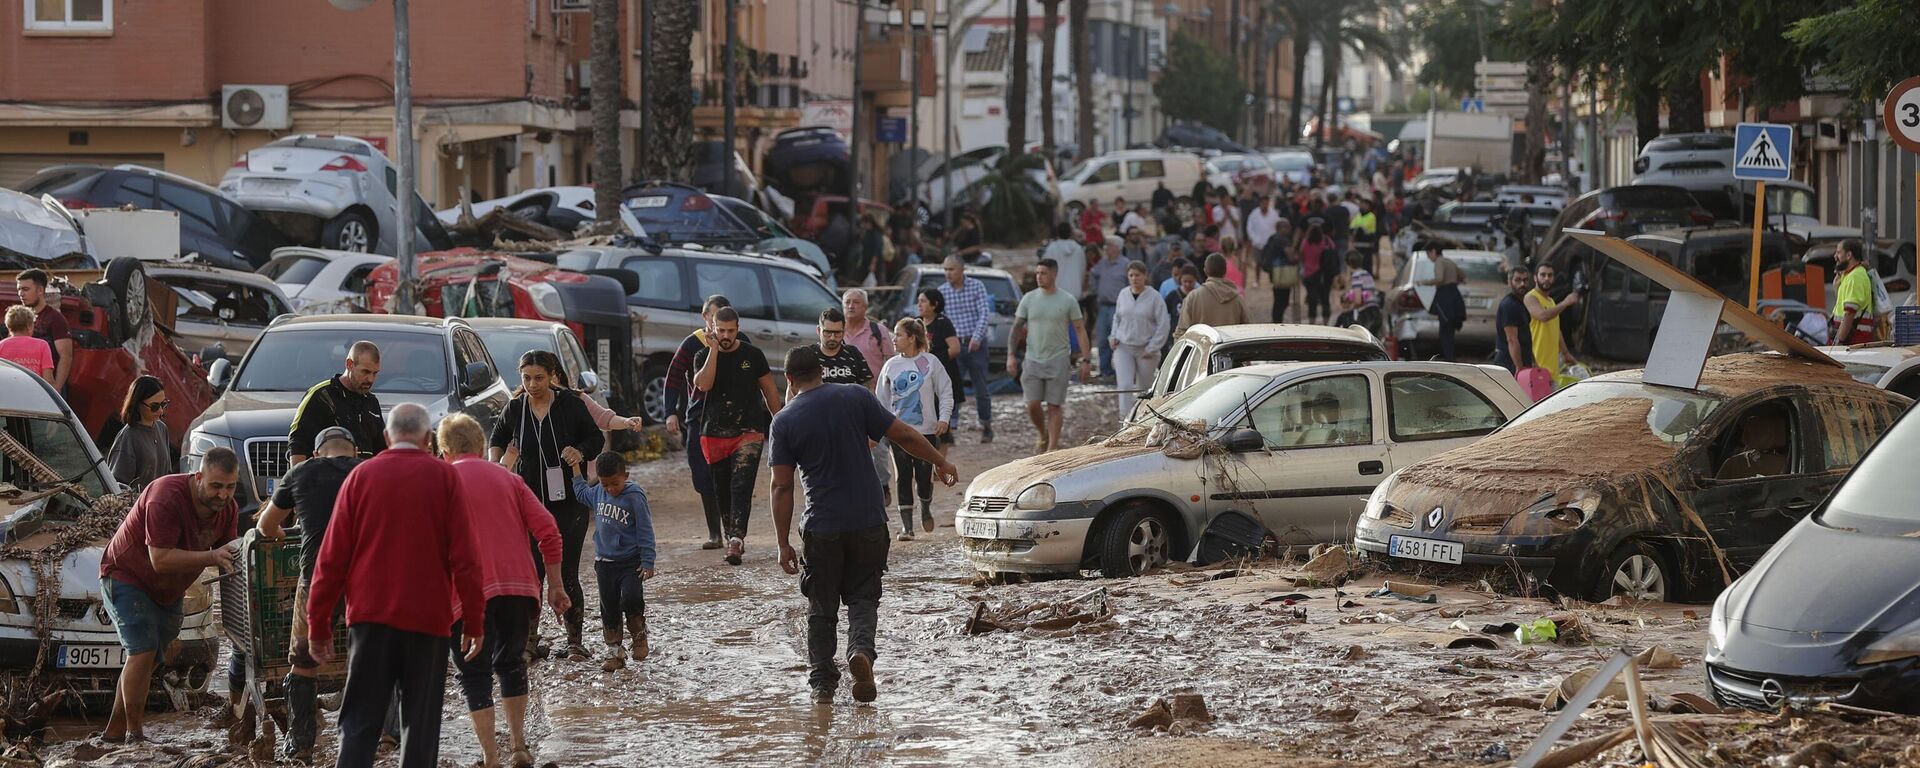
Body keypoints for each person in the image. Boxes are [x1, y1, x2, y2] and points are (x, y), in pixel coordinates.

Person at [768, 346, 956, 705]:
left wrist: (782, 542)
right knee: (863, 598)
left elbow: (781, 485)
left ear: (790, 380)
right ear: (821, 371)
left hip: (822, 526)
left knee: (821, 607)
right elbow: (904, 435)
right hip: (869, 521)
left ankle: (823, 685)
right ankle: (862, 653)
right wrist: (939, 463)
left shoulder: (784, 420)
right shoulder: (855, 396)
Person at [308, 403, 486, 768]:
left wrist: (318, 623)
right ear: (427, 439)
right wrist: (474, 620)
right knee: (420, 727)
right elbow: (466, 559)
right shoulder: (444, 478)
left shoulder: (361, 477)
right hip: (428, 621)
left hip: (370, 620)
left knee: (358, 722)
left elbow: (331, 558)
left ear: (387, 438)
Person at [435, 415, 567, 768]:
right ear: (481, 447)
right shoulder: (510, 479)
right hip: (518, 590)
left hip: (465, 597)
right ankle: (520, 747)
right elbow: (549, 531)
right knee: (510, 665)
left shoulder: (439, 484)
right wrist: (555, 584)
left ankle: (491, 757)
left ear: (444, 452)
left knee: (474, 675)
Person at [98, 449, 240, 744]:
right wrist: (211, 555)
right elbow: (159, 559)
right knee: (142, 651)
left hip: (168, 590)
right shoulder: (166, 496)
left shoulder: (229, 509)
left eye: (230, 487)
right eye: (216, 486)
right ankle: (134, 736)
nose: (223, 495)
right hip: (127, 574)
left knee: (147, 661)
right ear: (198, 477)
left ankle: (112, 734)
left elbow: (232, 560)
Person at [255, 426, 361, 762]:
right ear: (354, 452)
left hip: (316, 575)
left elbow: (265, 527)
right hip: (365, 577)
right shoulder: (366, 471)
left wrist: (287, 534)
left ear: (316, 453)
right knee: (374, 656)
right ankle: (383, 739)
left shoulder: (299, 472)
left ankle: (300, 746)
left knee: (303, 663)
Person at [489, 350, 603, 660]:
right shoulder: (515, 409)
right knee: (532, 573)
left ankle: (575, 640)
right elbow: (496, 437)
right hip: (528, 501)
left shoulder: (570, 405)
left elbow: (596, 438)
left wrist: (580, 452)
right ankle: (528, 642)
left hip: (569, 501)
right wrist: (497, 463)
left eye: (539, 378)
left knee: (567, 572)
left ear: (552, 376)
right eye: (526, 378)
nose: (532, 385)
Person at [692, 307, 783, 565]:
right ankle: (730, 534)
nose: (726, 335)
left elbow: (769, 390)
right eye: (721, 330)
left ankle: (736, 541)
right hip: (714, 432)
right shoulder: (702, 355)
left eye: (731, 330)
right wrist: (713, 350)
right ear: (712, 328)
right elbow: (704, 384)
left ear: (738, 328)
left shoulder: (753, 355)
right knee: (721, 489)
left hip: (749, 431)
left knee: (741, 486)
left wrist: (783, 421)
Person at [569, 450, 656, 672]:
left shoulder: (635, 496)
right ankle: (614, 651)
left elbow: (645, 529)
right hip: (605, 563)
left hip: (630, 562)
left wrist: (648, 561)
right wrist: (575, 466)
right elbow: (580, 492)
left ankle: (638, 635)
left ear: (625, 476)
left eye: (615, 484)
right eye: (605, 484)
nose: (610, 489)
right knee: (608, 607)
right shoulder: (598, 492)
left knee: (631, 598)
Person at [666, 295, 738, 550]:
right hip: (698, 417)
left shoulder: (740, 345)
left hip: (731, 420)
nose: (716, 324)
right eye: (712, 317)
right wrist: (670, 412)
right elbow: (673, 378)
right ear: (705, 318)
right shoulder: (692, 344)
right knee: (703, 475)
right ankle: (715, 533)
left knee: (730, 476)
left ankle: (733, 533)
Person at [880, 318, 953, 540]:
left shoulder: (931, 362)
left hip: (927, 431)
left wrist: (944, 419)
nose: (894, 339)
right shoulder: (890, 365)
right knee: (902, 474)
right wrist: (881, 426)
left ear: (912, 338)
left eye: (899, 335)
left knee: (923, 475)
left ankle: (926, 506)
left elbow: (946, 391)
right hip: (898, 431)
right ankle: (907, 527)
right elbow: (881, 400)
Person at [1009, 258, 1090, 454]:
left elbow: (1080, 330)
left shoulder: (1068, 300)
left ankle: (1052, 448)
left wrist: (1086, 360)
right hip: (1032, 359)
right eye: (1037, 273)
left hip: (1059, 358)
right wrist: (1011, 355)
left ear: (1054, 274)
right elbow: (1017, 327)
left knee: (1055, 405)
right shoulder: (1029, 298)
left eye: (1043, 273)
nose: (1039, 277)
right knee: (1032, 404)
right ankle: (1042, 433)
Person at [288, 340, 385, 464]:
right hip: (327, 479)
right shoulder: (322, 396)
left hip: (363, 480)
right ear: (349, 364)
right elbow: (298, 442)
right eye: (365, 372)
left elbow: (382, 450)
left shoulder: (372, 402)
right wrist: (298, 480)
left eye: (375, 373)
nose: (370, 379)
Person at [938, 256, 995, 443]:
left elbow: (984, 314)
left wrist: (977, 337)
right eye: (945, 269)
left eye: (951, 269)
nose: (948, 273)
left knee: (981, 387)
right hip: (953, 346)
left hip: (975, 344)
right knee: (950, 387)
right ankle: (949, 427)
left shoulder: (977, 286)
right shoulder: (942, 292)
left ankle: (986, 424)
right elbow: (941, 320)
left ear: (962, 269)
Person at [1111, 260, 1170, 416]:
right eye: (1131, 275)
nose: (1134, 278)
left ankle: (1142, 419)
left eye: (1137, 275)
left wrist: (1152, 347)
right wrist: (1114, 336)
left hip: (1146, 348)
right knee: (1124, 385)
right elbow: (1117, 318)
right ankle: (1124, 422)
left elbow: (1163, 324)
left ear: (1145, 276)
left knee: (1144, 388)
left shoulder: (1155, 297)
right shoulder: (1123, 294)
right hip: (1123, 346)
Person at [917, 289, 963, 453]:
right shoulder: (916, 323)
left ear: (934, 304)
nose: (919, 305)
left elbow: (955, 348)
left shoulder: (943, 323)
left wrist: (934, 363)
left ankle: (941, 462)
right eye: (919, 301)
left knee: (942, 423)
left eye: (923, 301)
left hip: (942, 377)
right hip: (920, 379)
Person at [108, 375, 172, 490]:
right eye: (154, 406)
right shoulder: (127, 437)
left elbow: (167, 474)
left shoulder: (162, 429)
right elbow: (117, 487)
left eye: (163, 404)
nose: (161, 411)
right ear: (137, 404)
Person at [1524, 262, 1582, 387]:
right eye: (1543, 275)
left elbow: (1556, 329)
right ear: (1535, 277)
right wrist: (1565, 303)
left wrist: (1566, 353)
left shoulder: (1551, 302)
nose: (1546, 278)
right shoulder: (1531, 297)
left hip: (1552, 370)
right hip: (1537, 368)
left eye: (1550, 275)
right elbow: (1542, 316)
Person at [13, 269, 71, 393]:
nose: (20, 294)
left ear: (40, 290)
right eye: (19, 289)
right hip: (19, 387)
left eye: (25, 289)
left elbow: (66, 356)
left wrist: (57, 387)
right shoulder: (19, 318)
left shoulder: (56, 319)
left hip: (47, 388)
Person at [1176, 254, 1251, 337]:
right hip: (1229, 349)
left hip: (1202, 348)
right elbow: (1248, 329)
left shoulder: (1193, 297)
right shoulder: (1237, 299)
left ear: (1205, 271)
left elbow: (1181, 332)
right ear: (1225, 271)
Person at [1087, 240, 1131, 379]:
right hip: (1103, 306)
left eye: (1109, 246)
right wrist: (1094, 289)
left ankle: (1123, 370)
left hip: (1119, 307)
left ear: (1118, 248)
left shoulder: (1125, 264)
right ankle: (1105, 370)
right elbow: (1092, 274)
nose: (1106, 249)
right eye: (1106, 246)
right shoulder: (1102, 263)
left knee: (1120, 339)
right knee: (1102, 340)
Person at [1417, 246, 1467, 361]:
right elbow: (1462, 276)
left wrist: (1424, 282)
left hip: (1445, 297)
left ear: (1433, 251)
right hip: (1454, 295)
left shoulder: (1439, 262)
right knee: (1449, 331)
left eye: (1429, 254)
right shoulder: (1449, 261)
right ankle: (1449, 356)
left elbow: (1439, 279)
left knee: (1445, 331)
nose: (1429, 257)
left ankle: (1448, 358)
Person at [812, 307, 875, 387]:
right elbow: (795, 389)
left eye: (837, 333)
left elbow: (869, 387)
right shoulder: (809, 356)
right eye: (827, 332)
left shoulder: (853, 353)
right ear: (818, 330)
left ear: (844, 331)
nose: (832, 337)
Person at [1833, 239, 1878, 345]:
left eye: (1838, 252)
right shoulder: (1849, 275)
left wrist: (1838, 342)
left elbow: (1849, 314)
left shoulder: (1855, 277)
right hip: (1851, 342)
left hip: (1853, 342)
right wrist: (1836, 286)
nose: (1835, 256)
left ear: (1849, 255)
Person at [1492, 267, 1536, 374]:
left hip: (1522, 363)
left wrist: (1534, 361)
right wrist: (1519, 368)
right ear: (1509, 282)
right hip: (1509, 365)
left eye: (1525, 280)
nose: (1522, 284)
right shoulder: (1510, 305)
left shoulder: (1521, 303)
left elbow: (1525, 337)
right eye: (1517, 280)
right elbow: (1512, 339)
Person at [0, 305, 53, 380]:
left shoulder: (1, 345)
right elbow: (48, 378)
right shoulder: (42, 345)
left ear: (9, 326)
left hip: (8, 390)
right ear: (29, 326)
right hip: (34, 390)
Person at [1042, 223, 1088, 301]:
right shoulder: (1078, 249)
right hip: (1075, 292)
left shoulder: (1052, 248)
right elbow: (1083, 269)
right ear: (1070, 233)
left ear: (1058, 233)